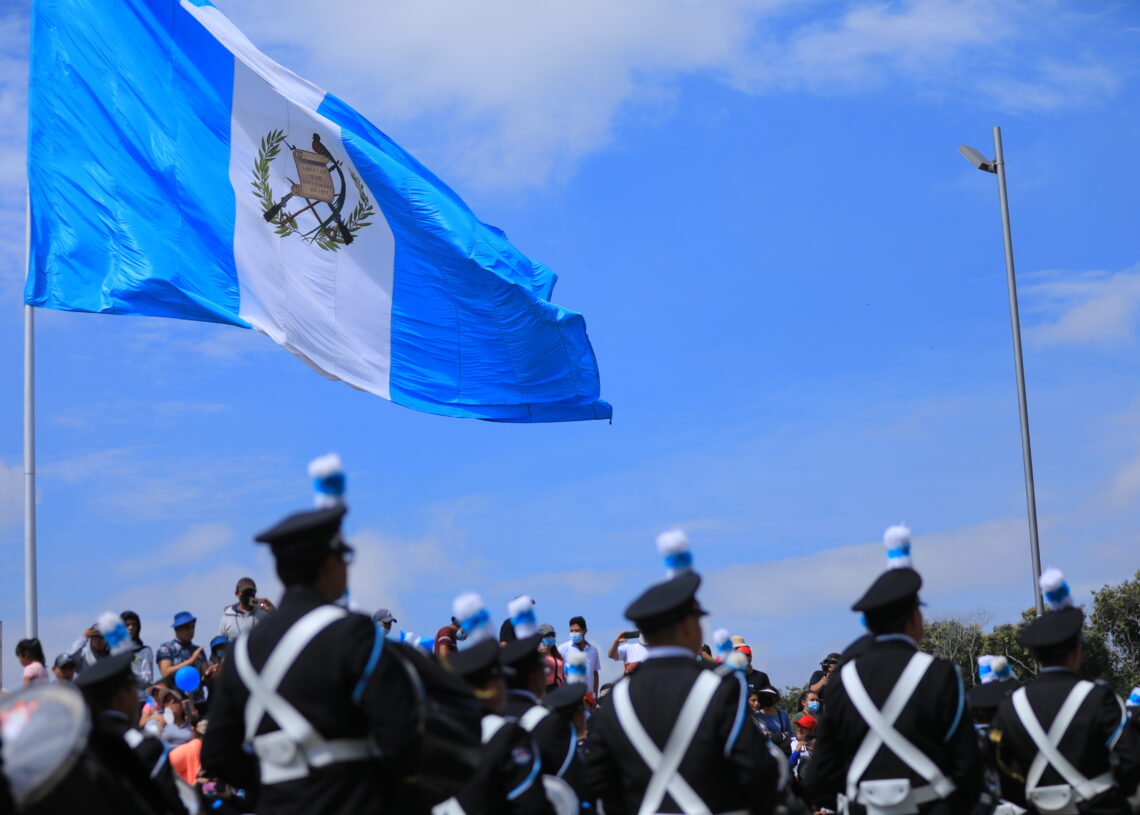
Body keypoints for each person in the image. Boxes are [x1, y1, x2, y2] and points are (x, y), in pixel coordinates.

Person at [201, 504, 422, 815]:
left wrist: (279, 785)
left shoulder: (241, 651)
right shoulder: (354, 633)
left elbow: (216, 755)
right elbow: (402, 738)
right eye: (344, 558)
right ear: (328, 565)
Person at [802, 524, 982, 815]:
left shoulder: (842, 681)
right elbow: (968, 767)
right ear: (913, 617)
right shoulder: (939, 673)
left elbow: (819, 777)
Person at [586, 565, 781, 815]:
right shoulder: (720, 686)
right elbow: (757, 770)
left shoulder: (617, 698)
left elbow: (600, 781)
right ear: (688, 627)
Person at [990, 569, 1140, 815]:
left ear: (1035, 656)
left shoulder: (1010, 706)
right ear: (1076, 651)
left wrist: (1031, 796)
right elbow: (1131, 761)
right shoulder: (1098, 699)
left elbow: (996, 765)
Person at [74, 651, 191, 814]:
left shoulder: (81, 748)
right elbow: (171, 804)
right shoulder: (144, 744)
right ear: (121, 697)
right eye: (133, 690)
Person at [157, 611, 215, 709]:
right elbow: (165, 673)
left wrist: (209, 674)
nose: (190, 631)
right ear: (176, 629)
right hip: (176, 705)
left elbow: (203, 680)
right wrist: (189, 662)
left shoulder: (198, 651)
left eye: (192, 627)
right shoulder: (167, 648)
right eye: (186, 627)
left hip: (199, 703)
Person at [560, 616, 601, 696]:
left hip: (588, 697)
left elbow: (595, 673)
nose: (574, 633)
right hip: (570, 696)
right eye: (571, 631)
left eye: (577, 631)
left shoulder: (593, 650)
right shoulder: (563, 649)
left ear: (585, 631)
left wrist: (595, 695)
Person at [120, 611, 155, 703]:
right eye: (127, 625)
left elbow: (148, 679)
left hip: (139, 701)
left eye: (134, 625)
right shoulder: (113, 652)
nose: (130, 628)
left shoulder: (144, 650)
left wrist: (130, 676)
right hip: (119, 702)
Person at [753, 686, 794, 755]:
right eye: (764, 695)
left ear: (776, 697)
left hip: (782, 751)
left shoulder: (783, 714)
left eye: (769, 696)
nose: (766, 698)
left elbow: (790, 733)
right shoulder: (756, 715)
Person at [538, 623, 565, 691]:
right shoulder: (538, 656)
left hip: (560, 691)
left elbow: (563, 675)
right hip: (545, 693)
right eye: (547, 635)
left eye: (553, 635)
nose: (551, 637)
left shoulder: (557, 655)